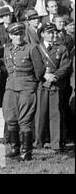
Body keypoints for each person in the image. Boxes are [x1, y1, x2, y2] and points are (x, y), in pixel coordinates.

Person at [3, 22, 45, 161]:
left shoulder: (31, 48)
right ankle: (15, 149)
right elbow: (8, 67)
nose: (18, 37)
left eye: (21, 33)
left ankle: (26, 152)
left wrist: (32, 83)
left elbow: (39, 70)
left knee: (25, 120)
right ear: (10, 35)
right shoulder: (7, 49)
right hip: (11, 87)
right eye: (15, 34)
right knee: (10, 118)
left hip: (27, 87)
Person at [35, 23, 71, 153]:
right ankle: (39, 141)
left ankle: (56, 143)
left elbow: (65, 66)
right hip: (42, 84)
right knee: (40, 113)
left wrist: (54, 76)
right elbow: (36, 66)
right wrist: (45, 76)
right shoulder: (37, 48)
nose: (52, 35)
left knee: (55, 114)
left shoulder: (61, 48)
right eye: (49, 32)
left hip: (55, 84)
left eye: (54, 32)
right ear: (42, 34)